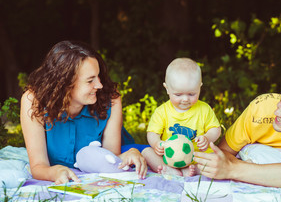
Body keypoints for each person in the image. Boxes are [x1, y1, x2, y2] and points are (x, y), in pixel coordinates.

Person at [20, 40, 147, 184]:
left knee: (146, 152)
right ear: (65, 84)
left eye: (98, 76)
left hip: (119, 152)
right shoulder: (33, 101)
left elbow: (111, 157)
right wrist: (54, 172)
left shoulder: (111, 99)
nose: (99, 85)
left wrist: (131, 154)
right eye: (90, 81)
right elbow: (38, 166)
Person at [142, 58, 221, 176]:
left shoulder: (204, 109)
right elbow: (152, 132)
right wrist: (156, 143)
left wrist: (207, 138)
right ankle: (169, 169)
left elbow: (215, 129)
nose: (185, 99)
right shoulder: (162, 111)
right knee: (146, 152)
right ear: (167, 89)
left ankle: (193, 170)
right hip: (169, 159)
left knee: (216, 158)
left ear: (200, 87)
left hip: (197, 157)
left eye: (191, 94)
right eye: (178, 94)